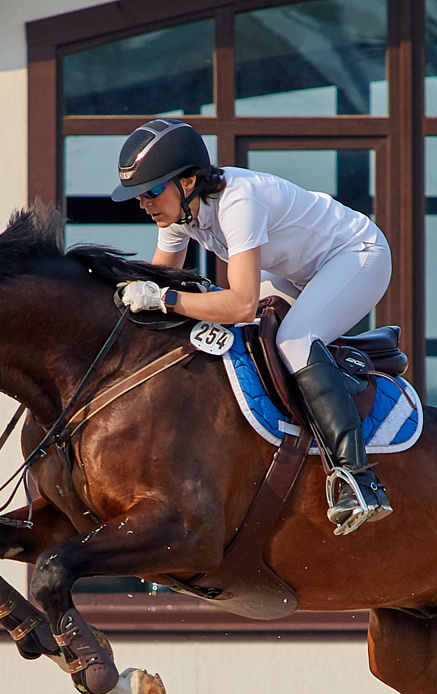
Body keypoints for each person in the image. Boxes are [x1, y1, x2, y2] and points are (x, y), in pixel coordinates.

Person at [109, 118, 393, 535]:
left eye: (151, 191)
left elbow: (240, 303)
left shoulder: (238, 202)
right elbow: (159, 279)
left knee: (295, 342)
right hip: (301, 273)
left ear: (187, 183)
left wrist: (167, 300)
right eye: (139, 195)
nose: (144, 203)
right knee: (241, 338)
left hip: (358, 255)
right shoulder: (178, 216)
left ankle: (359, 480)